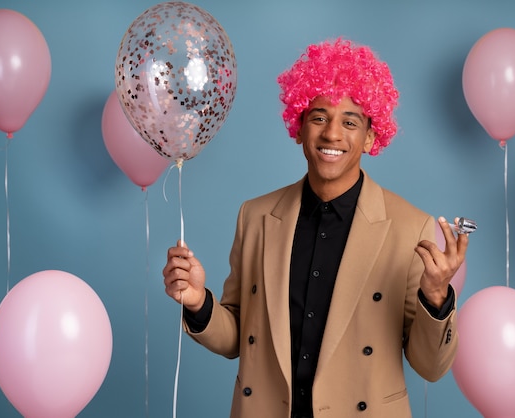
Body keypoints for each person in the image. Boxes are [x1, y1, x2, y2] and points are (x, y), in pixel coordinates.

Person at [163, 38, 469, 418]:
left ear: (371, 136)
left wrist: (437, 297)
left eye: (350, 122)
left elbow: (431, 367)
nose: (332, 134)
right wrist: (197, 301)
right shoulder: (255, 217)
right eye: (319, 117)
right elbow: (240, 337)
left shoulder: (410, 227)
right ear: (299, 126)